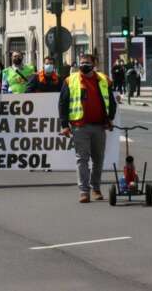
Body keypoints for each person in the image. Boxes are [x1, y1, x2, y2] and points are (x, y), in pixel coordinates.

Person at [59, 54, 116, 203]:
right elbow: (63, 104)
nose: (84, 65)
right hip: (79, 126)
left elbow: (111, 100)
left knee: (98, 159)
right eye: (82, 62)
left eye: (87, 63)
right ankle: (84, 191)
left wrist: (110, 119)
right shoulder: (70, 80)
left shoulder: (103, 79)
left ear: (94, 63)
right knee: (82, 159)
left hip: (99, 126)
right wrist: (64, 125)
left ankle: (96, 188)